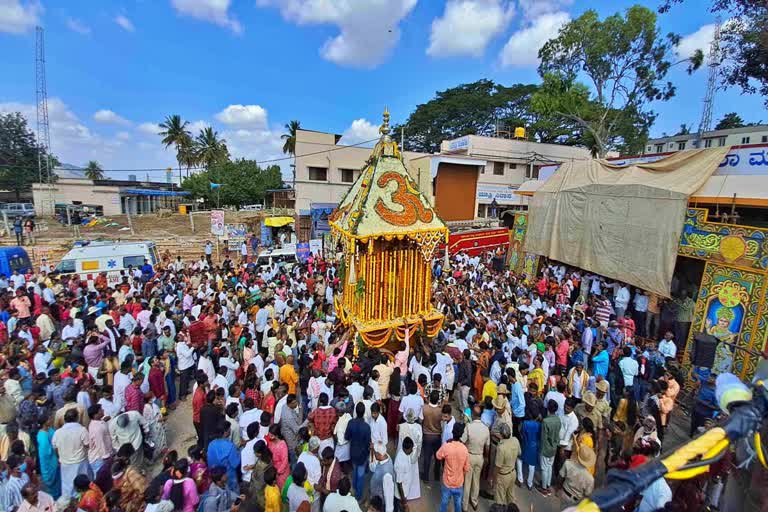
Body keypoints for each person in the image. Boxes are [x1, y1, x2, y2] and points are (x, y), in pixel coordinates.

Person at [52, 407, 91, 498]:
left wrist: (59, 457)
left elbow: (55, 447)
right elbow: (87, 445)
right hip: (80, 462)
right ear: (77, 418)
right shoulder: (82, 430)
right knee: (83, 487)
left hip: (65, 463)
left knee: (68, 487)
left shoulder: (58, 432)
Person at [461, 403, 489, 512]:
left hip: (469, 455)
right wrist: (486, 458)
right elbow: (487, 446)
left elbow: (463, 441)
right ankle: (474, 501)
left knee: (467, 481)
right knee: (476, 481)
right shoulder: (486, 429)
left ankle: (465, 505)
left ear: (473, 414)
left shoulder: (469, 426)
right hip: (480, 457)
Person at [436, 422, 469, 512]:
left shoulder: (447, 446)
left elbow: (438, 456)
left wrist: (446, 443)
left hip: (447, 482)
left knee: (444, 504)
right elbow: (466, 468)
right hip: (459, 483)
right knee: (458, 505)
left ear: (452, 432)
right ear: (462, 434)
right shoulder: (465, 449)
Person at [345, 401, 371, 499]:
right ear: (364, 412)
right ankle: (358, 496)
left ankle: (355, 488)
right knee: (360, 475)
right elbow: (368, 442)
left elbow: (347, 437)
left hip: (353, 452)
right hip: (363, 454)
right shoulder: (367, 427)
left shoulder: (351, 423)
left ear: (356, 411)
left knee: (355, 470)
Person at [206, 422, 241, 492]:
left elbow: (209, 462)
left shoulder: (211, 444)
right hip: (229, 477)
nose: (230, 430)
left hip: (216, 477)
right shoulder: (230, 446)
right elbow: (235, 464)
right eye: (229, 429)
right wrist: (240, 454)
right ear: (225, 432)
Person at [493, 422, 520, 506]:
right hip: (512, 472)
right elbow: (519, 453)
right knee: (511, 497)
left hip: (503, 476)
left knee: (499, 500)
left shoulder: (501, 447)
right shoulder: (515, 440)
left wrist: (494, 479)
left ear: (501, 434)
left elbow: (497, 466)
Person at [538, 399, 561, 497]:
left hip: (546, 448)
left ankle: (544, 488)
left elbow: (543, 438)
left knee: (544, 468)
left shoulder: (545, 421)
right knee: (549, 467)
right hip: (554, 448)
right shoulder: (558, 419)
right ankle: (547, 485)